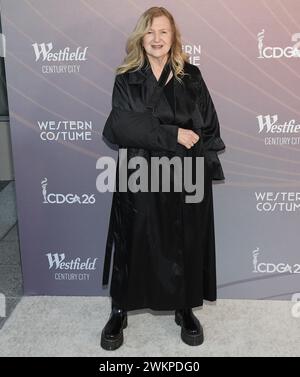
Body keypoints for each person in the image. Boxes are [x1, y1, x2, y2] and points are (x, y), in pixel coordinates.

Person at [100, 6, 225, 350]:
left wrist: (202, 160)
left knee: (185, 242)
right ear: (141, 36)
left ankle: (184, 308)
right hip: (140, 174)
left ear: (174, 37)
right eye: (151, 31)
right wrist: (173, 134)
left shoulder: (192, 76)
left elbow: (209, 125)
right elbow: (123, 127)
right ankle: (120, 309)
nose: (157, 38)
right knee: (134, 242)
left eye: (164, 32)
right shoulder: (127, 78)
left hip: (186, 174)